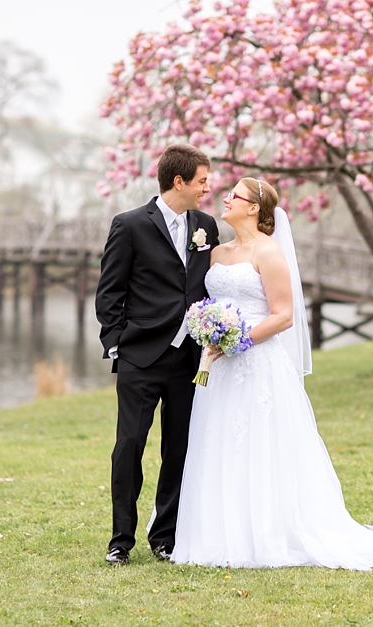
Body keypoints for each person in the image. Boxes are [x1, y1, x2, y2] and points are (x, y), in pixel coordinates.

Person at [171, 177, 373, 570]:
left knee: (258, 445)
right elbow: (209, 301)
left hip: (256, 362)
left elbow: (284, 315)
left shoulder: (268, 253)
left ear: (254, 208)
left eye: (235, 194)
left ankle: (267, 533)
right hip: (217, 368)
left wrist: (238, 341)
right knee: (218, 442)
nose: (226, 198)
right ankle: (216, 531)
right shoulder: (215, 254)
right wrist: (208, 329)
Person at [95, 144, 220, 565]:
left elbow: (208, 285)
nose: (208, 187)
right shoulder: (129, 225)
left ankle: (164, 537)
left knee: (180, 448)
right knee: (129, 444)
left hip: (189, 359)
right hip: (140, 356)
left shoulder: (206, 226)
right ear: (179, 182)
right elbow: (110, 291)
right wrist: (116, 342)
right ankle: (121, 540)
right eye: (202, 180)